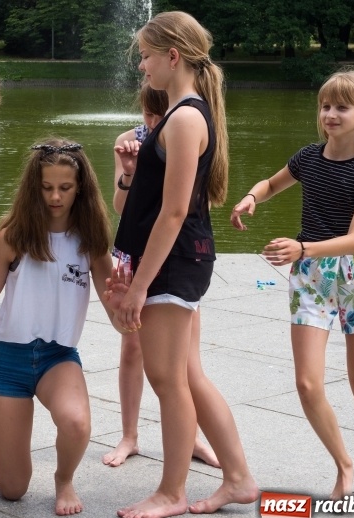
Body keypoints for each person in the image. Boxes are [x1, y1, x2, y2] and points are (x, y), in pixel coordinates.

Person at [231, 69, 354, 500]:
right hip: (312, 278)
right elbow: (272, 183)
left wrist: (302, 247)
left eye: (341, 107)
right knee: (308, 384)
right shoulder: (309, 158)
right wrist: (253, 196)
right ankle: (344, 465)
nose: (330, 114)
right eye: (325, 106)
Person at [111, 12, 258, 518]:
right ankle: (238, 476)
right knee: (188, 375)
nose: (142, 66)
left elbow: (174, 213)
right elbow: (153, 202)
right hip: (177, 261)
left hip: (173, 265)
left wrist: (139, 287)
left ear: (173, 56)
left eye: (147, 56)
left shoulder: (186, 117)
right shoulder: (179, 114)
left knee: (168, 378)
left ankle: (172, 491)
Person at [0, 139, 124, 515]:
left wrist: (131, 306)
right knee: (12, 489)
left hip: (57, 358)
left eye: (65, 188)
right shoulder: (12, 238)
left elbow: (118, 319)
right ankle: (4, 449)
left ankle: (64, 479)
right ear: (34, 187)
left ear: (81, 188)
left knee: (76, 423)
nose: (55, 197)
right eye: (46, 188)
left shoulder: (91, 242)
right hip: (7, 360)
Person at [105, 82, 219, 469]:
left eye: (158, 115)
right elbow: (121, 206)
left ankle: (191, 438)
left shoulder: (185, 126)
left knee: (185, 357)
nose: (153, 123)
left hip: (178, 253)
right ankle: (129, 435)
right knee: (133, 347)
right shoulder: (131, 140)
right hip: (137, 248)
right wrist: (130, 173)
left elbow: (187, 204)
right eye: (148, 116)